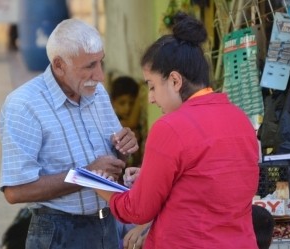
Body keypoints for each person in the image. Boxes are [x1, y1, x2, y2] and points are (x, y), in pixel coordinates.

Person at [93, 12, 260, 248]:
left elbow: (137, 211)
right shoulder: (239, 118)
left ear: (174, 81)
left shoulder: (170, 127)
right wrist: (151, 176)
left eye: (152, 86)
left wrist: (100, 186)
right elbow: (212, 184)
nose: (150, 98)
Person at [0, 18, 139, 249]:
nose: (100, 75)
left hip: (107, 226)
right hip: (58, 232)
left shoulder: (97, 93)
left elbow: (113, 166)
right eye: (89, 66)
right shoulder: (24, 105)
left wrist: (124, 148)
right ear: (59, 65)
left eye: (100, 62)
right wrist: (85, 175)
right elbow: (15, 191)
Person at [110, 76, 144, 167]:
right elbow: (131, 123)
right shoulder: (112, 123)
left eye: (132, 103)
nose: (127, 108)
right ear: (113, 102)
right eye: (122, 103)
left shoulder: (141, 124)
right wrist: (141, 92)